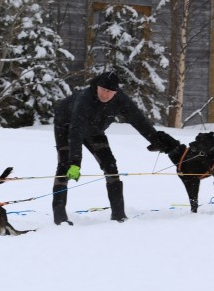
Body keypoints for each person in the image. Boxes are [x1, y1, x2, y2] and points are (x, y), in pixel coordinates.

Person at [52, 70, 180, 225]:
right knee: (65, 165)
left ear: (115, 92)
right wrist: (75, 163)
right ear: (97, 86)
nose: (106, 95)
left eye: (110, 92)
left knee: (110, 165)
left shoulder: (120, 99)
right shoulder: (84, 100)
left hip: (94, 130)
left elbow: (138, 120)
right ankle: (60, 217)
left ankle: (118, 214)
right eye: (103, 90)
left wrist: (155, 140)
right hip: (66, 126)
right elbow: (75, 133)